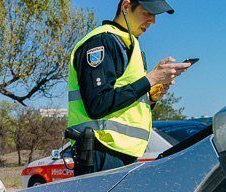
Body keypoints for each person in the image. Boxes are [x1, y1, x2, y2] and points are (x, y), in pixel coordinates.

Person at [67, 0, 191, 175]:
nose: (152, 20)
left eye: (155, 15)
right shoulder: (101, 42)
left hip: (122, 153)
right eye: (147, 12)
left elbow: (123, 102)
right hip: (101, 151)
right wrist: (150, 79)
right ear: (125, 6)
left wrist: (150, 96)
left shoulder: (130, 47)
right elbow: (98, 104)